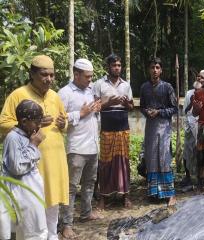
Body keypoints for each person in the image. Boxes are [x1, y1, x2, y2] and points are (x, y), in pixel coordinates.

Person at [0, 55, 69, 239]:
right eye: (44, 74)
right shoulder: (18, 94)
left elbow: (65, 121)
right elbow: (3, 123)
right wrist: (34, 124)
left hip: (55, 161)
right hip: (32, 164)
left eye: (52, 75)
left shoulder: (55, 96)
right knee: (33, 209)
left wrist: (64, 124)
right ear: (32, 74)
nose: (49, 79)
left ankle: (53, 236)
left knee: (53, 207)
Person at [58, 59, 103, 239]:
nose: (90, 80)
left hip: (93, 145)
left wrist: (97, 109)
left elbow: (93, 115)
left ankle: (86, 212)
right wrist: (80, 114)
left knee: (90, 182)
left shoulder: (91, 90)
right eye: (87, 77)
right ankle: (66, 224)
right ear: (76, 74)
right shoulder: (64, 93)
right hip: (76, 147)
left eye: (92, 77)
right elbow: (59, 119)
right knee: (70, 187)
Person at [0, 100, 46, 239]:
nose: (39, 125)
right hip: (21, 194)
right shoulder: (13, 137)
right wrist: (33, 145)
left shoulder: (26, 134)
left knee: (34, 229)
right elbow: (17, 168)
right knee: (28, 230)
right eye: (36, 121)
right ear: (24, 121)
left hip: (28, 192)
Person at [93, 54, 134, 209]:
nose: (117, 68)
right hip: (107, 129)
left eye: (119, 65)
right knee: (105, 163)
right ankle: (103, 197)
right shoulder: (99, 84)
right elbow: (95, 107)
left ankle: (125, 196)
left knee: (123, 162)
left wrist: (126, 104)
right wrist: (109, 102)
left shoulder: (126, 85)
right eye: (114, 65)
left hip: (123, 128)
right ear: (108, 67)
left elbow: (130, 107)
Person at [140, 57, 178, 206]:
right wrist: (147, 112)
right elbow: (142, 106)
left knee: (164, 158)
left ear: (161, 70)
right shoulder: (144, 87)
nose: (154, 70)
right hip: (150, 126)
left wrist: (159, 112)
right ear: (149, 70)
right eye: (152, 67)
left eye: (157, 67)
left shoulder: (167, 87)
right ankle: (154, 192)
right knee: (151, 158)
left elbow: (174, 108)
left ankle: (170, 194)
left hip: (163, 127)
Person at [181, 75, 204, 186]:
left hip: (201, 125)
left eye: (202, 77)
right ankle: (188, 176)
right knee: (187, 152)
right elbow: (185, 111)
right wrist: (191, 102)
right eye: (198, 76)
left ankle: (200, 177)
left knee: (200, 152)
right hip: (189, 126)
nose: (199, 79)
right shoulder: (189, 93)